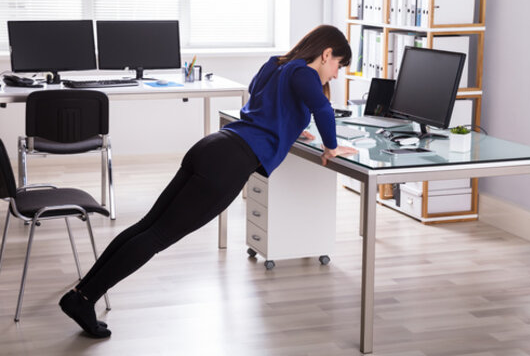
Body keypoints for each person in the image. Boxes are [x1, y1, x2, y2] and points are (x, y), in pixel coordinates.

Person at [58, 25, 358, 338]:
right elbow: (323, 108)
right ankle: (83, 299)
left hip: (212, 147)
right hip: (230, 163)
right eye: (338, 64)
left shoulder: (277, 64)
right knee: (156, 236)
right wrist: (331, 146)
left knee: (147, 226)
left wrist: (290, 127)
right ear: (326, 54)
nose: (336, 74)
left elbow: (260, 99)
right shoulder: (306, 73)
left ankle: (80, 294)